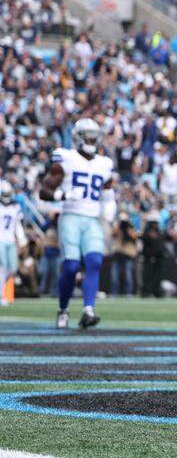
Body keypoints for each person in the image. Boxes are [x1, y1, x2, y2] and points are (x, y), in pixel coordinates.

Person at [39, 118, 116, 329]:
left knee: (95, 261)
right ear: (78, 138)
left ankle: (88, 310)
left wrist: (109, 210)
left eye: (94, 136)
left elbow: (108, 192)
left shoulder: (104, 163)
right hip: (71, 216)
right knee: (71, 266)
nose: (92, 140)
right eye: (88, 136)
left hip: (92, 218)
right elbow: (44, 191)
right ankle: (63, 309)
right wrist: (62, 194)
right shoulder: (65, 158)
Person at [0, 181, 26, 306]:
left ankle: (2, 291)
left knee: (13, 269)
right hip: (0, 240)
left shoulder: (16, 206)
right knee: (3, 267)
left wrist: (21, 239)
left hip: (11, 240)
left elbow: (18, 225)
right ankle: (1, 295)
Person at [109, 213, 139, 297]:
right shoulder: (117, 227)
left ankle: (128, 292)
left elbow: (135, 237)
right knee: (114, 274)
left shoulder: (130, 227)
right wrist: (118, 227)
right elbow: (112, 235)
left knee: (128, 273)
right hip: (117, 253)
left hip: (127, 253)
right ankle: (114, 292)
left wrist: (128, 229)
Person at [139, 217, 167, 298]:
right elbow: (144, 240)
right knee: (147, 276)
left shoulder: (159, 232)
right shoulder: (147, 233)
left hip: (159, 258)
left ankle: (157, 291)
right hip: (149, 258)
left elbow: (161, 244)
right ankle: (146, 292)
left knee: (158, 276)